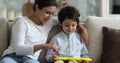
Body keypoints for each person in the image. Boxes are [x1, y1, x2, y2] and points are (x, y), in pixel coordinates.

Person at [0, 0, 88, 63]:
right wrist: (44, 46)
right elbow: (19, 49)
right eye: (47, 12)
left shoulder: (49, 21)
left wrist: (82, 28)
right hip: (12, 56)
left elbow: (68, 20)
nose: (50, 17)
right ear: (37, 7)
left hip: (30, 59)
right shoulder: (22, 22)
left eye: (52, 13)